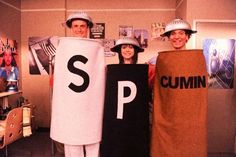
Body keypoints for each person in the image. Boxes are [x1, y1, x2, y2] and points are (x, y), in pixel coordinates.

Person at [151, 19, 207, 157]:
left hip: (191, 120)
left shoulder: (197, 60)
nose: (177, 37)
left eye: (181, 33)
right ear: (169, 37)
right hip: (168, 117)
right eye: (173, 34)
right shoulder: (157, 60)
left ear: (187, 36)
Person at [50, 12, 103, 157]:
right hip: (71, 102)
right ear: (71, 28)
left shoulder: (96, 48)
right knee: (72, 140)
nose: (79, 29)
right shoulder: (63, 48)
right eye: (76, 26)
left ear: (88, 28)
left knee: (92, 139)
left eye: (82, 26)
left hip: (90, 102)